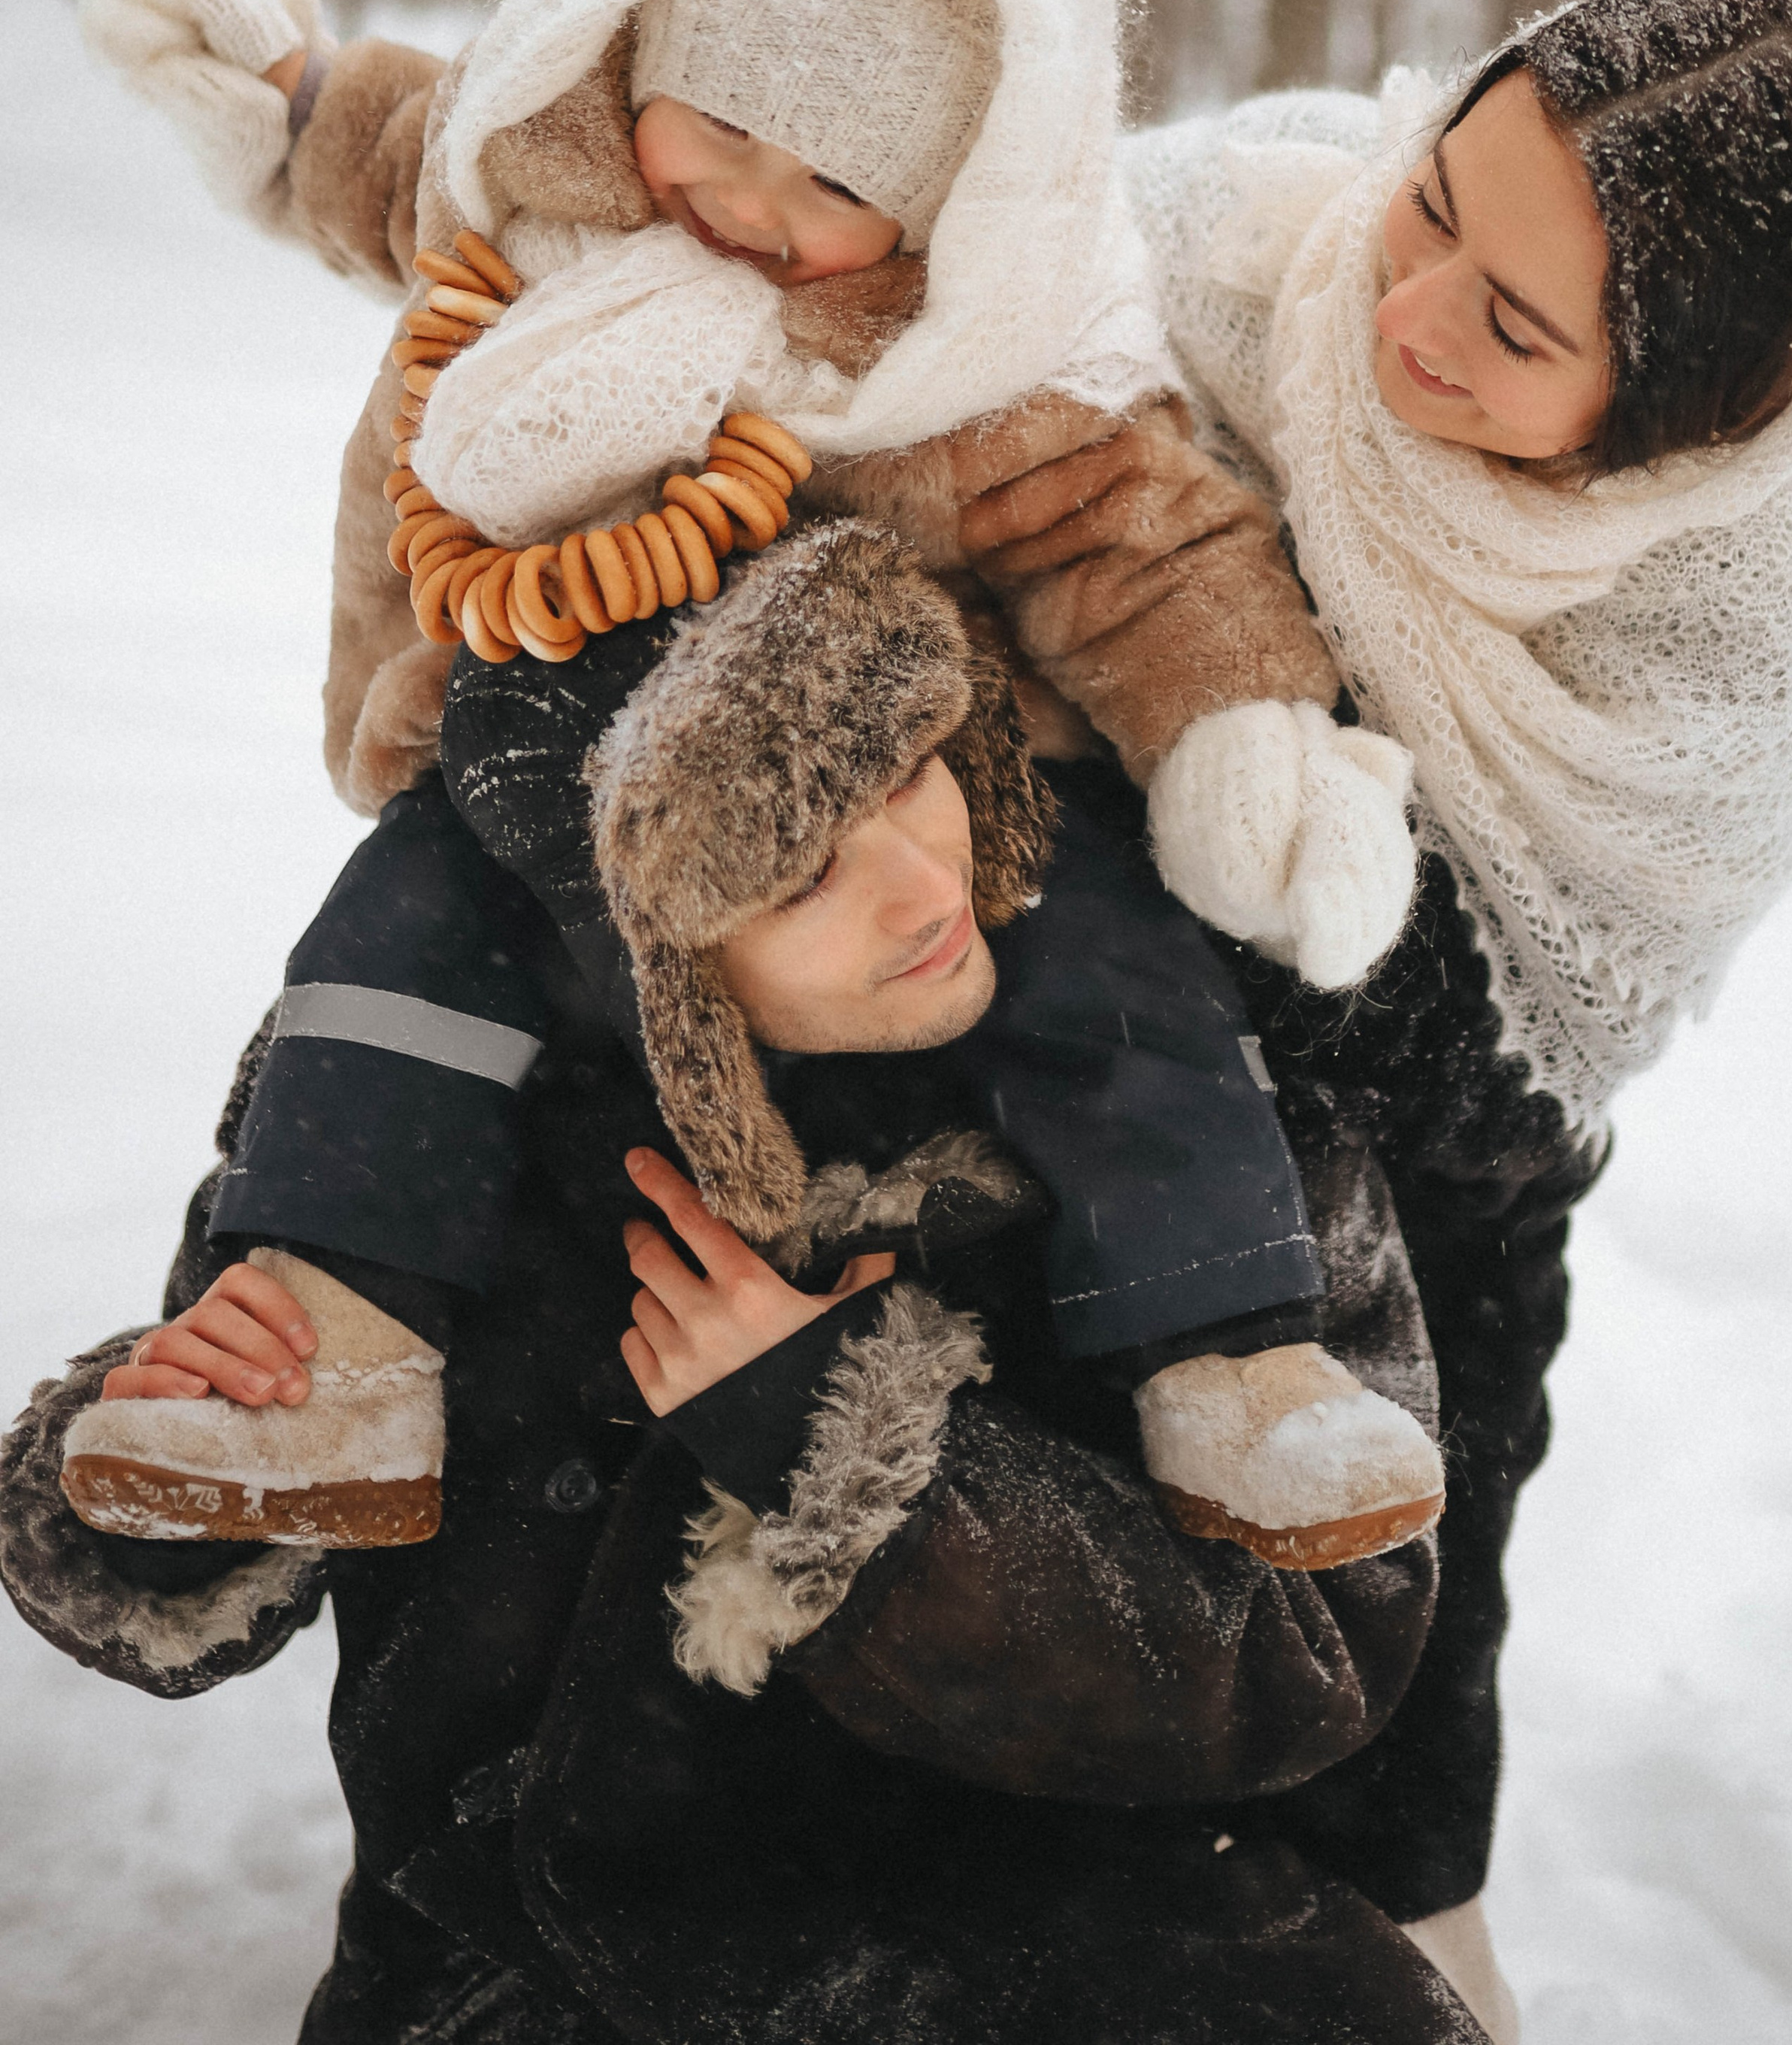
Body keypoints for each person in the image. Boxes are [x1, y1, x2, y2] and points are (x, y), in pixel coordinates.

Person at [71, 0, 1431, 1562]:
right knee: (404, 949)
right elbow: (406, 154)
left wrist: (1238, 729)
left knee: (1114, 976)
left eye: (839, 189)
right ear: (646, 57)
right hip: (553, 755)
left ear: (941, 206)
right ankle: (335, 1336)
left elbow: (1133, 540)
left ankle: (1232, 1360)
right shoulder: (552, 184)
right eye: (719, 129)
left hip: (922, 788)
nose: (752, 213)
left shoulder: (972, 363)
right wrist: (292, 97)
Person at [2, 529, 1482, 2045]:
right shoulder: (417, 1119)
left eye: (911, 771)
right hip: (533, 1968)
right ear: (635, 937)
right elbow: (188, 1571)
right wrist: (167, 1471)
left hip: (1080, 1951)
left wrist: (848, 1458)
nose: (925, 886)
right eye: (802, 868)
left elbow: (1314, 1652)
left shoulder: (1201, 1114)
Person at [955, 0, 1792, 2028]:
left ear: (1680, 412)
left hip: (1415, 1206)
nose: (1409, 313)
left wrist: (1229, 799)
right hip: (1013, 1042)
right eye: (1438, 204)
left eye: (1518, 328)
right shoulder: (1240, 232)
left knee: (1368, 1659)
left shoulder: (1717, 645)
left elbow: (1515, 1082)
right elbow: (931, 353)